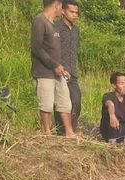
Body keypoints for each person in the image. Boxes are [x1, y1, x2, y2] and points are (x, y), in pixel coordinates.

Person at [31, 0, 74, 137]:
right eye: (61, 6)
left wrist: (61, 67)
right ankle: (47, 132)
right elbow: (37, 48)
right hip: (44, 72)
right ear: (56, 5)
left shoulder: (54, 25)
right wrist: (54, 65)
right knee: (46, 103)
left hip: (57, 71)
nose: (62, 9)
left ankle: (69, 132)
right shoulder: (39, 21)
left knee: (65, 102)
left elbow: (55, 51)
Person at [53, 0, 80, 135]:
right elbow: (52, 50)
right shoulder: (56, 27)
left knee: (76, 101)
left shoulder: (76, 30)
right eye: (72, 12)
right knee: (61, 103)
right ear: (63, 11)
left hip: (73, 72)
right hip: (59, 71)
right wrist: (58, 67)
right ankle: (60, 131)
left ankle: (70, 131)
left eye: (76, 12)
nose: (75, 15)